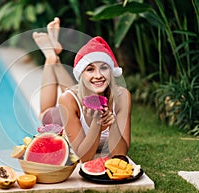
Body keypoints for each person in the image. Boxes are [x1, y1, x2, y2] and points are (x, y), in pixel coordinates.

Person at [33, 18, 131, 163]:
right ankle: (51, 57)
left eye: (104, 68)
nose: (99, 75)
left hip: (81, 94)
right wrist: (96, 123)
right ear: (81, 74)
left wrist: (113, 123)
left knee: (85, 90)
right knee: (46, 111)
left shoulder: (123, 96)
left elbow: (120, 154)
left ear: (111, 71)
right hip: (64, 116)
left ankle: (54, 52)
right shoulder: (68, 100)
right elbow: (84, 157)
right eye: (90, 69)